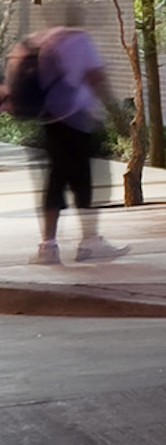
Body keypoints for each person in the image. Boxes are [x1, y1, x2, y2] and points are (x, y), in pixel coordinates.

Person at [21, 22, 122, 267]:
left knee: (56, 181)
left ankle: (48, 246)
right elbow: (96, 77)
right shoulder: (80, 40)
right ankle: (89, 242)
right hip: (77, 119)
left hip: (51, 119)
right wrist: (115, 111)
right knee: (83, 180)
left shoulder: (45, 40)